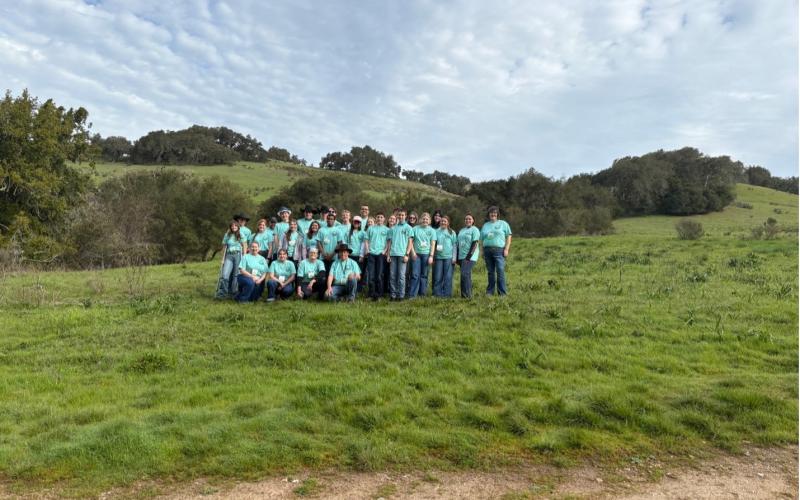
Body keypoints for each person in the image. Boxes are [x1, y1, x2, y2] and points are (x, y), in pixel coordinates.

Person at [480, 206, 513, 296]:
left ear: (497, 214)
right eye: (491, 213)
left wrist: (506, 249)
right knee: (490, 272)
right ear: (489, 214)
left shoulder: (503, 224)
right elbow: (482, 239)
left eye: (494, 213)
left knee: (500, 270)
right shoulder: (485, 225)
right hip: (487, 251)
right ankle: (490, 292)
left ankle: (502, 293)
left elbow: (509, 236)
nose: (493, 214)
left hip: (499, 251)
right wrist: (481, 251)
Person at [385, 209, 414, 301]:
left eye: (403, 215)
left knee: (401, 276)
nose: (401, 217)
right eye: (399, 215)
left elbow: (410, 242)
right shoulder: (392, 229)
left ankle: (401, 295)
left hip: (402, 255)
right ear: (397, 216)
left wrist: (407, 254)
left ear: (405, 216)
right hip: (393, 255)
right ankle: (393, 295)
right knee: (393, 276)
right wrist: (388, 255)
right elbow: (389, 243)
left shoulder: (409, 228)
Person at [408, 212, 436, 298]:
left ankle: (422, 294)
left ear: (429, 221)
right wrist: (412, 252)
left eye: (427, 219)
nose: (425, 220)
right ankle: (412, 295)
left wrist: (431, 256)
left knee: (424, 275)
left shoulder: (432, 231)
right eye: (423, 219)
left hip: (426, 255)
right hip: (416, 255)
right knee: (415, 275)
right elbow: (410, 242)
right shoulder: (415, 229)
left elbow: (433, 244)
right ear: (420, 220)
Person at [215, 221, 246, 299]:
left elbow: (244, 245)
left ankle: (234, 293)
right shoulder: (227, 235)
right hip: (229, 255)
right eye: (232, 226)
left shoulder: (240, 234)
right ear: (230, 227)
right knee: (225, 275)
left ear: (238, 227)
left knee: (236, 275)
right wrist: (222, 259)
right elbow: (224, 247)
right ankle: (222, 293)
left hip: (238, 255)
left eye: (235, 226)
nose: (234, 227)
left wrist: (244, 256)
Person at [365, 213, 389, 300]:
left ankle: (380, 294)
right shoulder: (370, 228)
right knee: (371, 275)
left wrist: (384, 251)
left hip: (380, 254)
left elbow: (388, 242)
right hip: (371, 253)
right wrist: (367, 250)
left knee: (379, 275)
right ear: (376, 218)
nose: (379, 218)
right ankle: (371, 294)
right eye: (378, 217)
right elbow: (366, 240)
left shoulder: (387, 230)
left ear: (384, 219)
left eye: (381, 217)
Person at [457, 213, 480, 299]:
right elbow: (458, 243)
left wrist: (468, 257)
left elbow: (475, 243)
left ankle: (467, 296)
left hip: (470, 257)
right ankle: (464, 295)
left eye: (470, 219)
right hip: (461, 256)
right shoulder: (461, 230)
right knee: (465, 275)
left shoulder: (475, 230)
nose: (468, 220)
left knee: (464, 274)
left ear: (473, 220)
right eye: (466, 219)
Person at [433, 215, 457, 297]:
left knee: (448, 277)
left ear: (448, 223)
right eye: (442, 221)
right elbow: (433, 244)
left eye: (445, 221)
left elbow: (454, 245)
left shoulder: (452, 232)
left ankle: (447, 294)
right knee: (438, 276)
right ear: (440, 222)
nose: (443, 222)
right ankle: (437, 294)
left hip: (449, 258)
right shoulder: (436, 231)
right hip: (438, 257)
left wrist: (454, 257)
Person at [348, 217, 368, 291]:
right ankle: (350, 288)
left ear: (360, 224)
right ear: (352, 223)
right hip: (350, 255)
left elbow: (363, 245)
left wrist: (361, 255)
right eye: (355, 222)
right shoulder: (349, 232)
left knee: (359, 272)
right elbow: (347, 243)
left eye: (358, 222)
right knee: (350, 272)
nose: (356, 223)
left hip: (358, 256)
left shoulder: (363, 233)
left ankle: (358, 289)